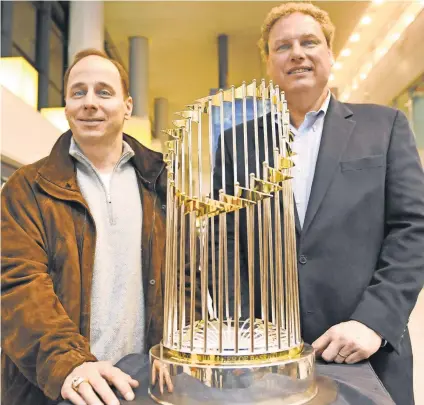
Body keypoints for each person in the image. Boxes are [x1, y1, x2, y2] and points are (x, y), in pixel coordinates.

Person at [213, 3, 424, 404]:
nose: (297, 53)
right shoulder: (237, 145)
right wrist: (245, 329)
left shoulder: (384, 127)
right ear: (269, 62)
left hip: (366, 352)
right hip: (269, 362)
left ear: (329, 54)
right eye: (282, 46)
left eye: (309, 42)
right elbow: (227, 243)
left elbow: (413, 229)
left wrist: (372, 322)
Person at [1, 49, 173, 405]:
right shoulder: (26, 188)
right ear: (66, 105)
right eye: (78, 92)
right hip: (60, 390)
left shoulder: (164, 184)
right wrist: (70, 364)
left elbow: (188, 279)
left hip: (147, 387)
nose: (89, 103)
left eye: (103, 92)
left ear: (127, 106)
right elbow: (18, 286)